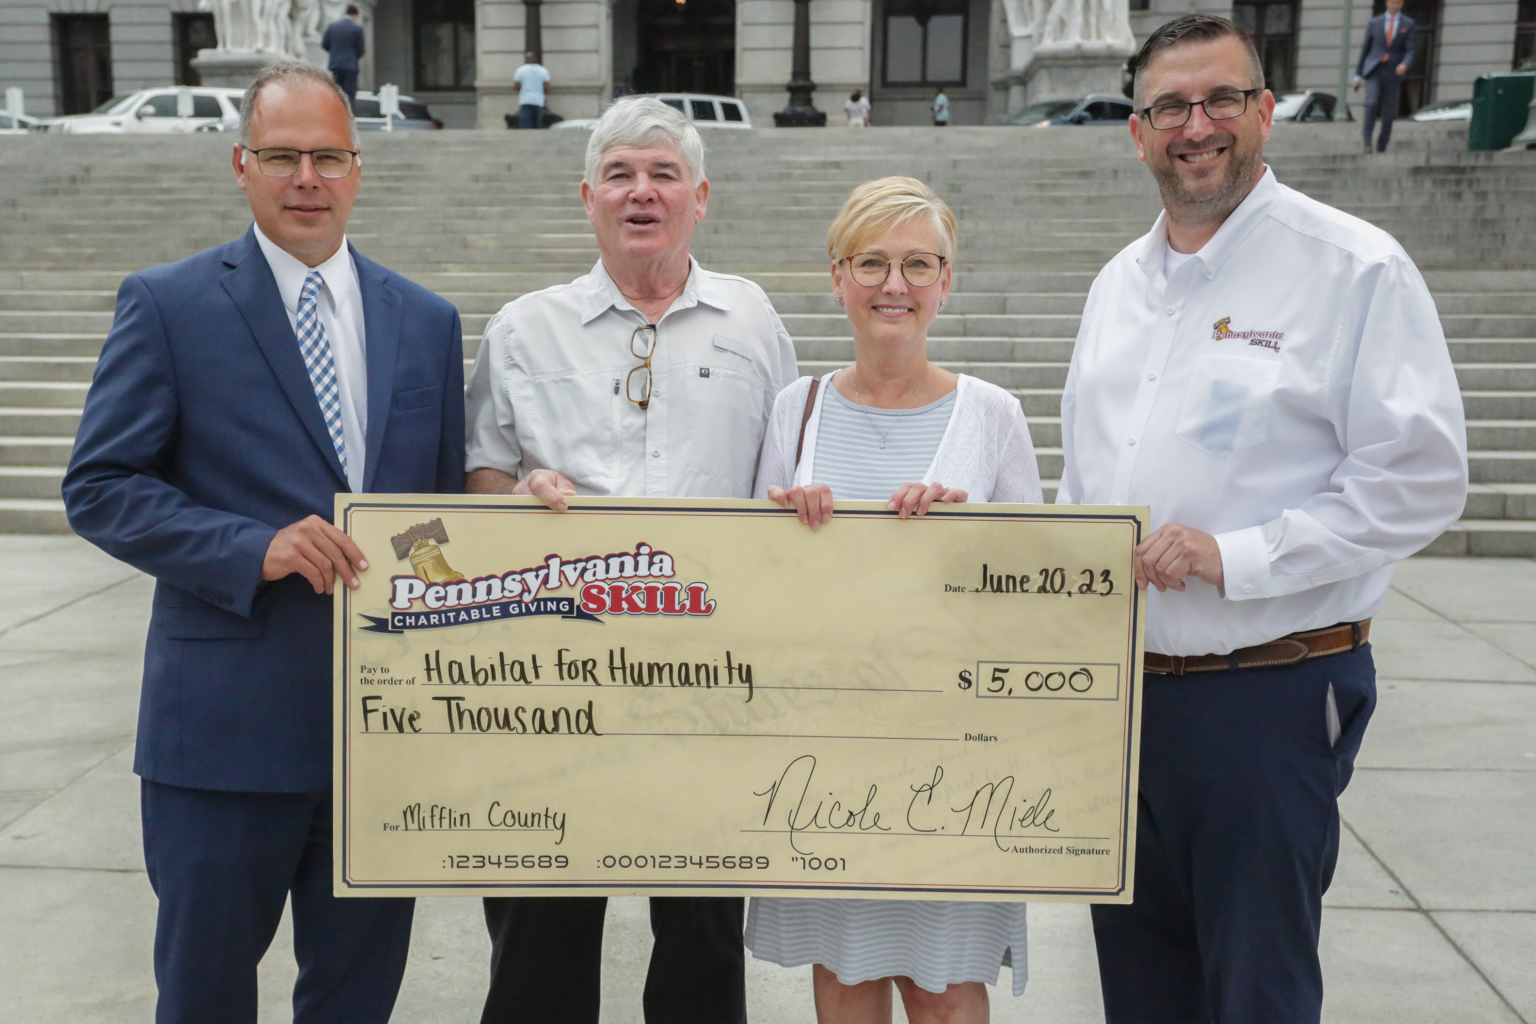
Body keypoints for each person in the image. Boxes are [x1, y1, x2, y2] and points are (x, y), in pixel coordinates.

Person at [1058, 14, 1466, 1024]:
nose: (1198, 126)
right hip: (1126, 704)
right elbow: (1084, 484)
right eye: (1170, 108)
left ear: (1265, 112)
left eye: (1222, 100)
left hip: (1268, 694)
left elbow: (1419, 476)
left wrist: (1234, 555)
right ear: (1137, 130)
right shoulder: (1117, 286)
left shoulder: (1352, 268)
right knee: (1141, 988)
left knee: (1257, 992)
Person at [61, 61, 465, 1023]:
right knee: (203, 995)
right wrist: (253, 548)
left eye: (328, 157)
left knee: (356, 998)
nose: (307, 179)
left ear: (359, 168)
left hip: (382, 740)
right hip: (223, 740)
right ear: (241, 164)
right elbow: (100, 486)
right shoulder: (170, 304)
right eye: (282, 157)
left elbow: (435, 510)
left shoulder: (427, 321)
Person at [463, 95, 798, 1024]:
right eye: (619, 174)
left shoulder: (752, 321)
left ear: (700, 196)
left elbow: (785, 472)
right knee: (541, 923)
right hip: (554, 675)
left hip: (709, 675)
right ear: (587, 197)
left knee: (698, 927)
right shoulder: (523, 327)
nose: (639, 191)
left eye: (661, 174)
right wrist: (515, 503)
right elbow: (480, 474)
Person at [747, 177, 1041, 1022]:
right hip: (824, 752)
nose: (894, 286)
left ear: (946, 281)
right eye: (871, 262)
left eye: (918, 263)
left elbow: (1041, 599)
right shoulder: (793, 410)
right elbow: (755, 589)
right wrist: (784, 535)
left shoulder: (993, 415)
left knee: (946, 988)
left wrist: (969, 539)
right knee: (844, 979)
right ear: (837, 276)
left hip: (953, 756)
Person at [1353, 0, 1415, 153]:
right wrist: (1357, 75)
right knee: (1372, 103)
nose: (1395, 5)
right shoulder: (1374, 23)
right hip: (1374, 70)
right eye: (1393, 2)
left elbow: (1410, 49)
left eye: (1399, 2)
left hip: (1393, 72)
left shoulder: (1408, 24)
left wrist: (1405, 64)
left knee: (1389, 112)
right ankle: (1367, 141)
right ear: (1387, 3)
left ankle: (1382, 144)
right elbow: (1365, 49)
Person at [320, 4, 366, 104]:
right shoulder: (357, 29)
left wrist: (335, 53)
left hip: (336, 66)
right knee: (349, 96)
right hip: (351, 67)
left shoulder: (332, 27)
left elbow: (324, 44)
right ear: (355, 15)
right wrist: (353, 57)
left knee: (337, 94)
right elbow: (361, 49)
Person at [513, 51, 552, 129]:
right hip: (538, 100)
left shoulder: (520, 70)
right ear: (535, 59)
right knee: (537, 124)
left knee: (526, 125)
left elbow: (517, 87)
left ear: (526, 60)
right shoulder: (543, 70)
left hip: (525, 100)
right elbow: (547, 87)